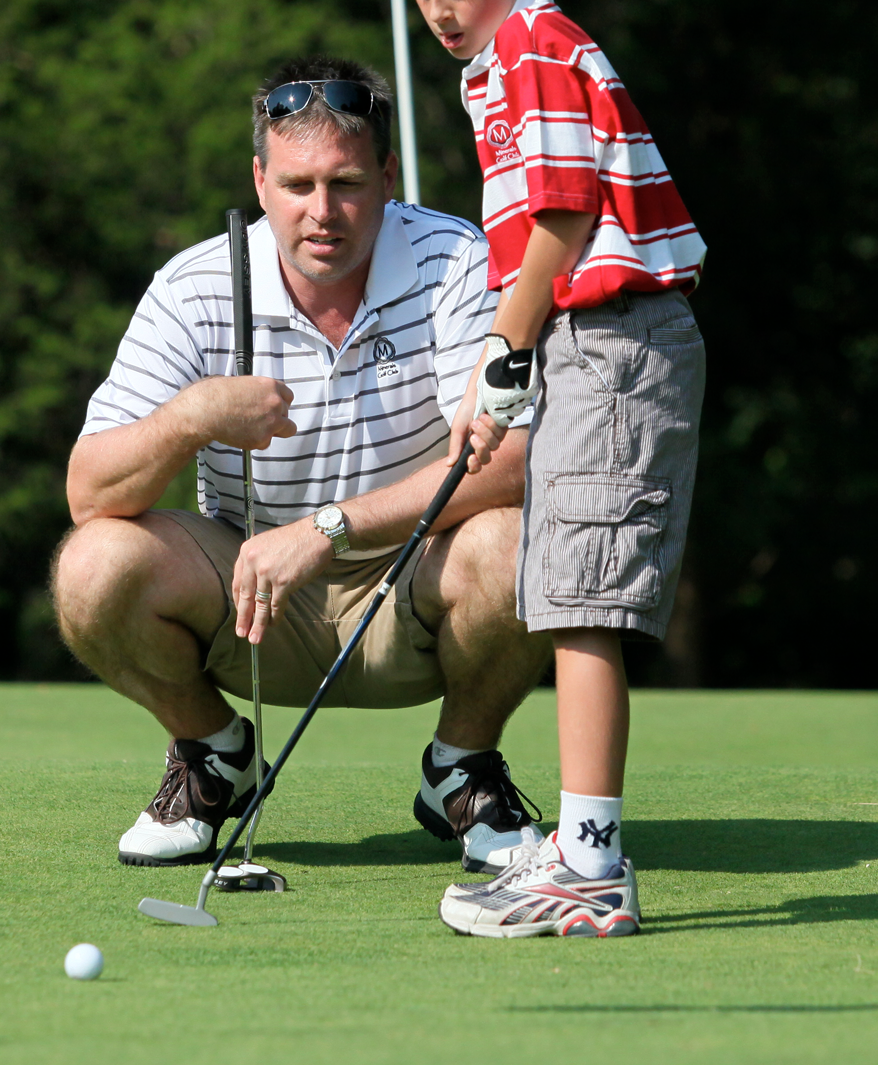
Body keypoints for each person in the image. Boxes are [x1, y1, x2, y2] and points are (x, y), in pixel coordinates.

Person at [54, 56, 551, 874]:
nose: (323, 212)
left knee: (524, 537)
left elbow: (513, 462)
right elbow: (87, 490)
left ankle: (461, 770)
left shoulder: (454, 259)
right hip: (252, 603)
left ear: (388, 176)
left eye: (348, 182)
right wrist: (196, 416)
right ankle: (216, 756)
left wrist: (328, 529)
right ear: (259, 180)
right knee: (90, 566)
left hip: (416, 581)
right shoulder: (195, 284)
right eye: (296, 185)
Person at [389, 0, 709, 939]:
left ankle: (590, 866)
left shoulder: (533, 42)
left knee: (582, 600)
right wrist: (518, 357)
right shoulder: (511, 48)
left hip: (611, 337)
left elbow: (565, 219)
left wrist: (505, 352)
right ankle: (581, 851)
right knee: (569, 591)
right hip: (586, 339)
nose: (439, 9)